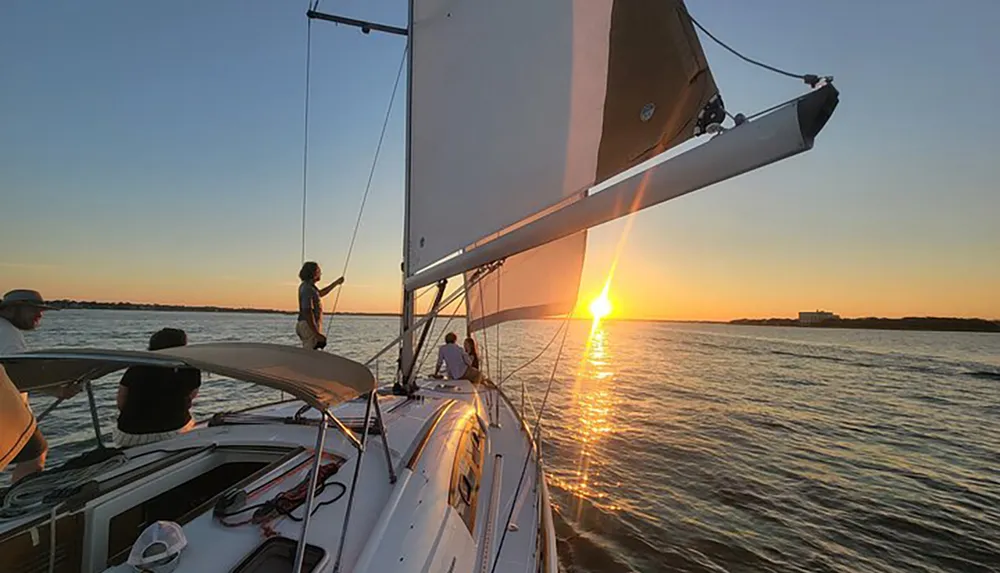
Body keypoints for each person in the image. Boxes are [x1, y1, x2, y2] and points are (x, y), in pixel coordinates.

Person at [0, 289, 78, 481]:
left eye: (42, 310)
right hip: (6, 413)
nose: (39, 315)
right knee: (35, 452)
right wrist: (57, 389)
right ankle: (18, 505)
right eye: (33, 309)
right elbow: (17, 375)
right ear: (11, 310)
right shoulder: (7, 332)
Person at [114, 328, 201, 448]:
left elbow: (121, 402)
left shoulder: (136, 368)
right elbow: (190, 398)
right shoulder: (190, 369)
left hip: (130, 434)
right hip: (174, 430)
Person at [296, 262, 344, 350]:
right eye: (319, 271)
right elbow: (307, 311)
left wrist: (336, 283)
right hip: (308, 326)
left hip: (307, 325)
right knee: (311, 355)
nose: (320, 273)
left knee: (311, 353)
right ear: (313, 273)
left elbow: (321, 293)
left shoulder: (309, 287)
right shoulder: (307, 288)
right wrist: (316, 334)